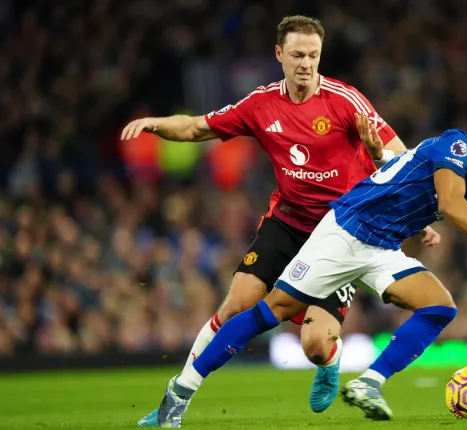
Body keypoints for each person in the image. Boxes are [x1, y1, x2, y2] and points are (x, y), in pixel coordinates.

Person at [121, 15, 434, 426]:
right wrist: (156, 124)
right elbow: (197, 128)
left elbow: (398, 154)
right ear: (279, 55)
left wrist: (413, 209)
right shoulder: (260, 104)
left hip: (341, 232)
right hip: (286, 223)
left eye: (314, 55)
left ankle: (330, 361)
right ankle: (176, 398)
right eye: (298, 54)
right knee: (236, 305)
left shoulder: (346, 100)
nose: (306, 63)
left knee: (315, 346)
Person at [153, 117, 467, 423]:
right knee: (271, 312)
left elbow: (406, 173)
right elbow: (452, 207)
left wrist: (383, 159)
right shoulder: (456, 144)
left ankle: (369, 384)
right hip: (346, 233)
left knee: (440, 307)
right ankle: (180, 392)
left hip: (382, 248)